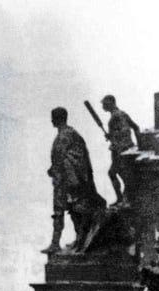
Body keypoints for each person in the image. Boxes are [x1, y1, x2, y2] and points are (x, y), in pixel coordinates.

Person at [43, 107, 105, 254]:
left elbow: (59, 158)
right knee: (72, 210)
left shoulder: (65, 135)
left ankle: (58, 243)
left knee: (64, 211)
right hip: (71, 180)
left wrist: (53, 171)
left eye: (53, 117)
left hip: (67, 181)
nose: (51, 120)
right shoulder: (70, 133)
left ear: (57, 119)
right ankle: (77, 239)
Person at [101, 95, 141, 204]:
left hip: (120, 149)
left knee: (116, 173)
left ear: (112, 103)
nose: (103, 106)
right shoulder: (121, 114)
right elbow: (134, 128)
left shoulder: (116, 116)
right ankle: (124, 197)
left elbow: (125, 131)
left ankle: (124, 197)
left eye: (105, 103)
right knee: (119, 173)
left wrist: (115, 139)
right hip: (124, 148)